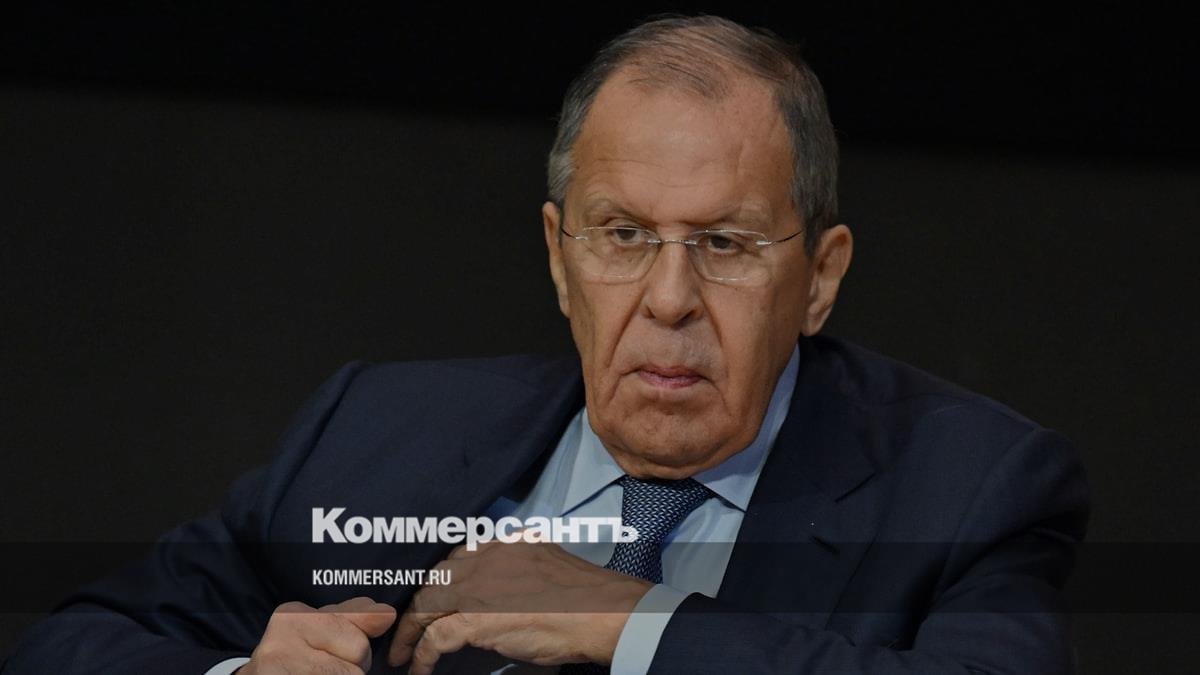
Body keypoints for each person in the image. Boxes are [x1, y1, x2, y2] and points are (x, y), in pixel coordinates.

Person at [3, 14, 1089, 675]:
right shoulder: (376, 432)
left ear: (821, 278)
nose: (670, 299)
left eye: (725, 243)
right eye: (623, 236)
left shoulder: (968, 489)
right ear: (560, 259)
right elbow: (70, 645)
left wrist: (633, 622)